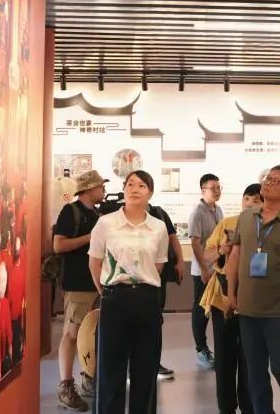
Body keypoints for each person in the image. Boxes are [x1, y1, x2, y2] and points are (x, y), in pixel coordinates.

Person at [227, 165, 280, 414]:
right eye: (268, 178)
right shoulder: (246, 217)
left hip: (278, 309)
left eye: (276, 181)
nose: (268, 182)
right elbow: (235, 256)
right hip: (247, 306)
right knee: (255, 370)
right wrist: (231, 293)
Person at [88, 170, 169, 414]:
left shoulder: (158, 227)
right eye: (130, 184)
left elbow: (158, 265)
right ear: (124, 189)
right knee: (110, 369)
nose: (135, 189)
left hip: (147, 299)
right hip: (115, 299)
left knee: (146, 367)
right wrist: (106, 291)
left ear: (150, 193)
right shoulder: (106, 223)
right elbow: (95, 262)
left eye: (142, 185)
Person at [201, 183, 263, 414]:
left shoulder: (267, 227)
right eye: (247, 198)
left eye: (256, 200)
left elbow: (264, 267)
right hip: (223, 297)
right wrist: (221, 251)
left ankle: (249, 405)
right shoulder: (226, 224)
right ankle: (226, 406)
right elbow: (207, 255)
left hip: (253, 298)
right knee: (225, 354)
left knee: (251, 355)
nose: (250, 203)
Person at [53, 170, 107, 411]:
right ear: (89, 189)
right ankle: (65, 386)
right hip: (77, 284)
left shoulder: (97, 214)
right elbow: (58, 245)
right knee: (72, 333)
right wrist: (90, 237)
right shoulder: (70, 212)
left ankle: (88, 378)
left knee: (91, 333)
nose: (103, 190)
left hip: (97, 283)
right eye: (100, 186)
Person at [188, 173, 224, 369]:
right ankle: (201, 349)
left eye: (219, 187)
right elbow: (195, 243)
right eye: (213, 188)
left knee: (217, 309)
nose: (217, 191)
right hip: (203, 270)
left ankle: (219, 349)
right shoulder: (198, 212)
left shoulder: (218, 210)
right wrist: (203, 269)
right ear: (203, 190)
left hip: (217, 269)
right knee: (201, 310)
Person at [149, 203, 184, 380]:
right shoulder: (119, 215)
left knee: (156, 319)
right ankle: (133, 365)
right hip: (132, 280)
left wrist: (180, 260)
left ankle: (155, 363)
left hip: (157, 278)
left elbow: (172, 237)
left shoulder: (158, 212)